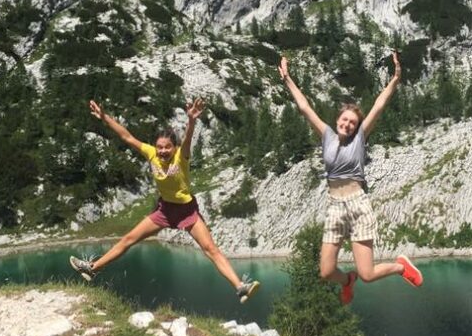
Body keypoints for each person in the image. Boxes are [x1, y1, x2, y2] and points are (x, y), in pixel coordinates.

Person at [69, 98, 261, 303]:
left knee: (210, 250)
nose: (162, 151)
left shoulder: (181, 156)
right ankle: (92, 269)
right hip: (164, 210)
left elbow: (187, 139)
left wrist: (192, 120)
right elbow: (126, 137)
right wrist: (104, 117)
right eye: (159, 147)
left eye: (167, 147)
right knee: (129, 239)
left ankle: (240, 287)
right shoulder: (152, 154)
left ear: (174, 147)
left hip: (188, 212)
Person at [279, 51, 423, 305]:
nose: (348, 124)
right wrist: (287, 78)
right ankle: (347, 281)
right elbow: (304, 107)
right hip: (335, 206)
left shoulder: (359, 140)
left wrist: (395, 79)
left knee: (367, 274)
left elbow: (379, 106)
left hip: (358, 204)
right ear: (337, 120)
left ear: (357, 128)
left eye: (353, 123)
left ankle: (400, 266)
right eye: (345, 120)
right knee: (325, 272)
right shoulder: (326, 135)